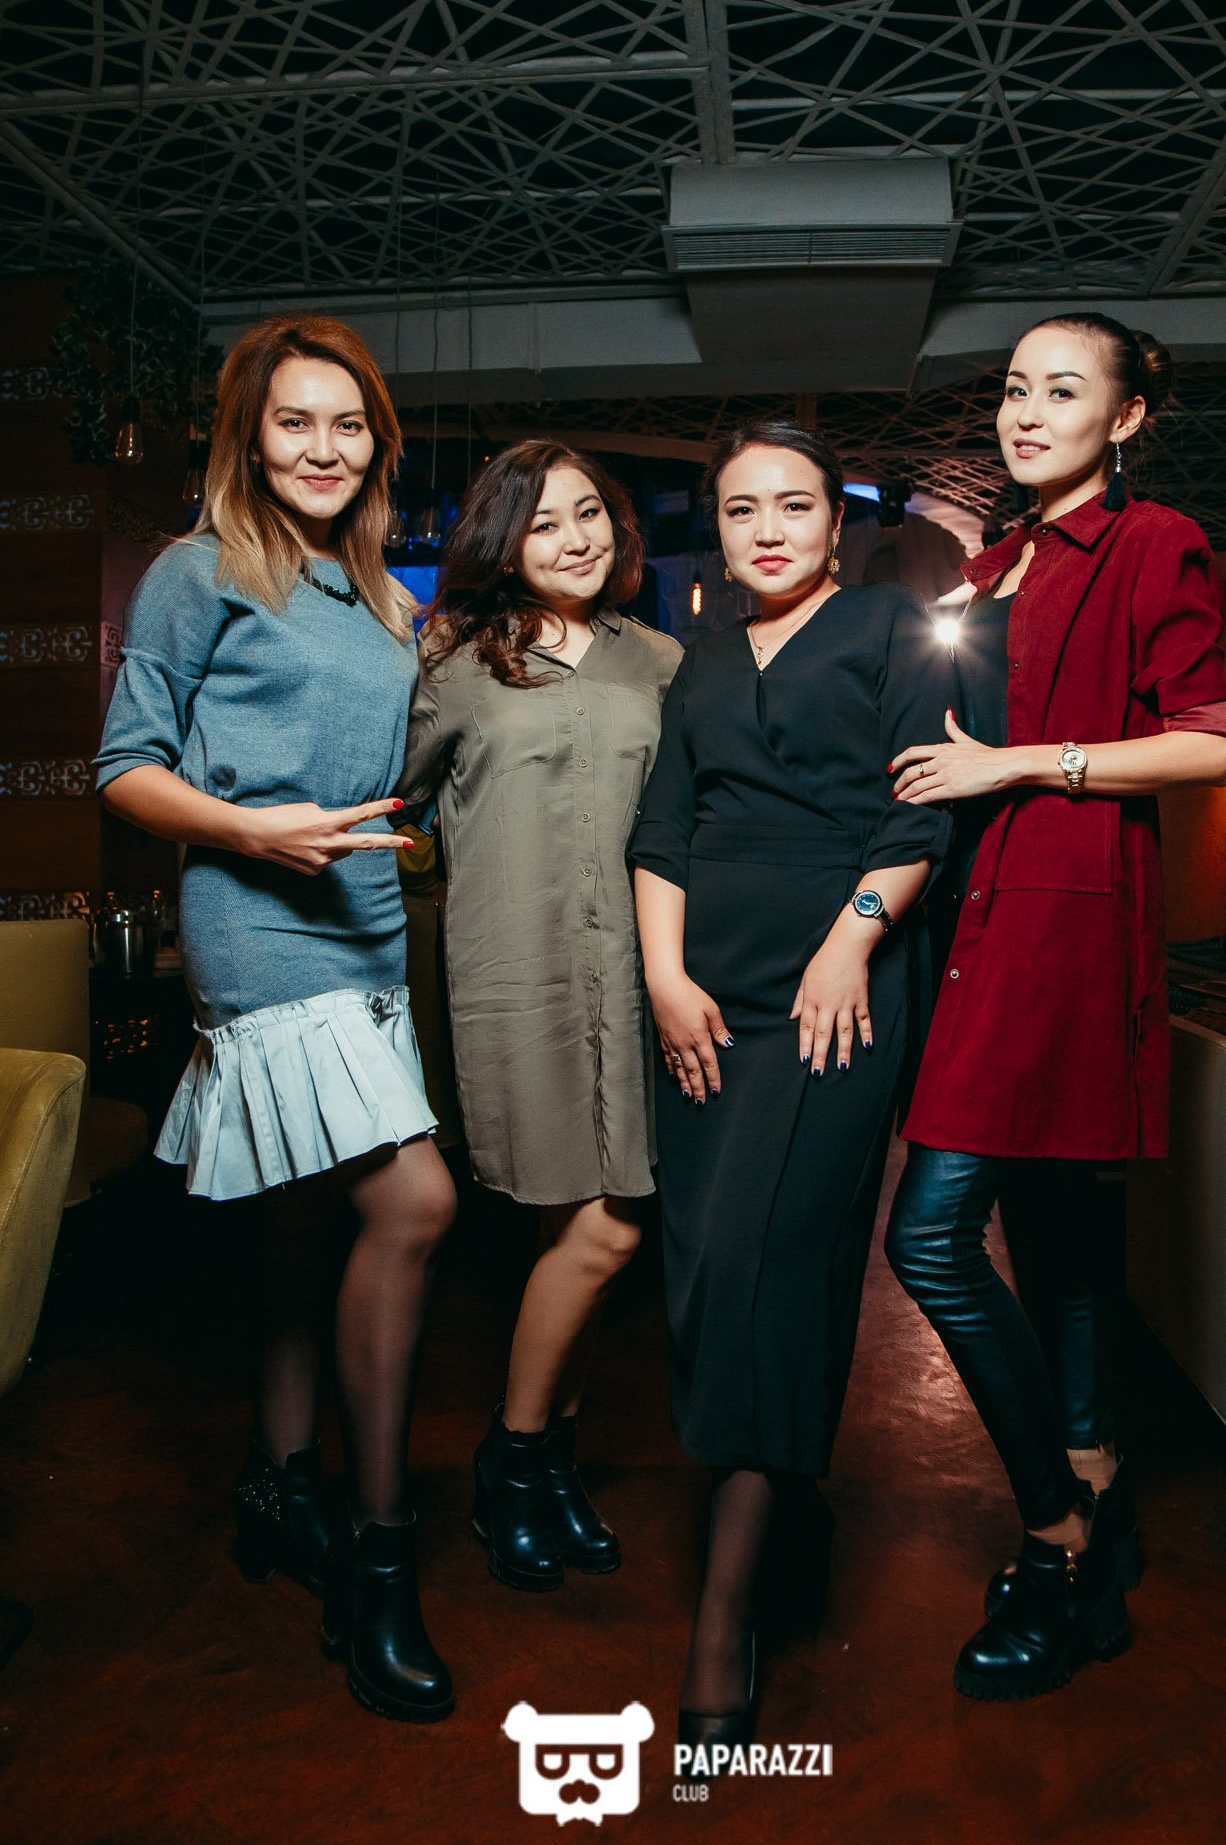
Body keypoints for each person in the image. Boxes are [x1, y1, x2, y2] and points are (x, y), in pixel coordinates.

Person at [95, 316, 457, 1724]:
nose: (323, 447)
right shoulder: (198, 571)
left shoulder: (380, 599)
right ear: (249, 436)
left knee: (309, 1225)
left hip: (367, 932)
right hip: (259, 922)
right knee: (414, 1202)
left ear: (378, 445)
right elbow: (124, 769)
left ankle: (278, 1483)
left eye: (348, 424)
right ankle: (378, 1555)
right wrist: (256, 831)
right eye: (295, 421)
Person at [885, 312, 1226, 1701]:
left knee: (929, 1237)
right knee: (1060, 1236)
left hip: (1061, 922)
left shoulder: (1152, 542)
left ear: (1126, 417)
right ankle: (1094, 1488)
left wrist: (1022, 764)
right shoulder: (991, 561)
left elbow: (1205, 747)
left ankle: (1056, 1533)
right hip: (970, 916)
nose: (1026, 413)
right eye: (1015, 388)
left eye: (1063, 389)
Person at [630, 419, 956, 1762]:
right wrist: (663, 977)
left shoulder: (887, 626)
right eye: (740, 508)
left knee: (764, 1251)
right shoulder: (701, 659)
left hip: (840, 990)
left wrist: (849, 942)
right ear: (716, 529)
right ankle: (782, 1483)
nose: (767, 528)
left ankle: (724, 1611)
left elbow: (920, 812)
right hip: (706, 999)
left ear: (837, 520)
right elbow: (662, 829)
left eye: (795, 504)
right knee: (710, 1258)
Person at [397, 440, 681, 1592]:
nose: (575, 538)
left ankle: (544, 1462)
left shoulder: (659, 660)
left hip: (637, 978)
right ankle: (513, 1463)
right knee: (593, 1229)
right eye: (545, 520)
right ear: (502, 540)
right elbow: (392, 801)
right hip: (515, 974)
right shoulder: (456, 663)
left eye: (591, 513)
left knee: (596, 1233)